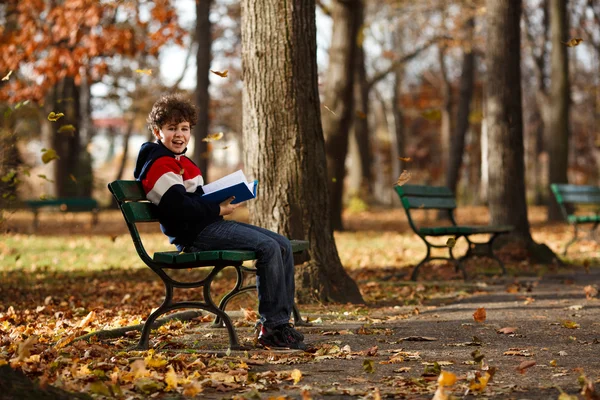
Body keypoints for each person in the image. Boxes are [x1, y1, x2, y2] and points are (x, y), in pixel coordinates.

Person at [133, 93, 306, 350]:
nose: (179, 134)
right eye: (172, 129)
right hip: (192, 235)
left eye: (184, 128)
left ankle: (279, 324)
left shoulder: (183, 163)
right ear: (158, 132)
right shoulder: (159, 164)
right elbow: (179, 208)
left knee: (280, 243)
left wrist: (222, 197)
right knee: (269, 248)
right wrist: (217, 209)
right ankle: (272, 327)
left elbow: (194, 199)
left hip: (207, 226)